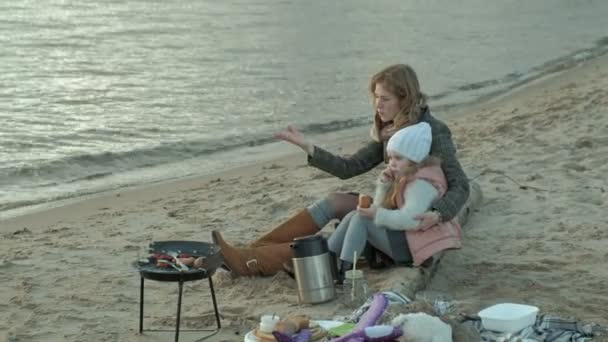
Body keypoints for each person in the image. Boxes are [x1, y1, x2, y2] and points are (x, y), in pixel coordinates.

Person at [211, 64, 470, 277]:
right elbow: (350, 167)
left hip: (408, 225)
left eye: (385, 99)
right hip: (390, 206)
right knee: (336, 200)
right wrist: (307, 146)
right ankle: (254, 250)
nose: (377, 105)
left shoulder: (432, 132)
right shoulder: (391, 129)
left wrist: (437, 213)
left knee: (346, 228)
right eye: (376, 97)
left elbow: (460, 185)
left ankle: (250, 261)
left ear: (405, 99)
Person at [328, 122, 462, 283]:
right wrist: (384, 186)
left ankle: (344, 273)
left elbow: (411, 220)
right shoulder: (407, 174)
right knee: (353, 215)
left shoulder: (421, 184)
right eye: (390, 157)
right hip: (406, 239)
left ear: (414, 159)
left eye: (398, 158)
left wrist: (376, 214)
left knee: (361, 219)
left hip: (413, 248)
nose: (392, 163)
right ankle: (326, 258)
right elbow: (380, 208)